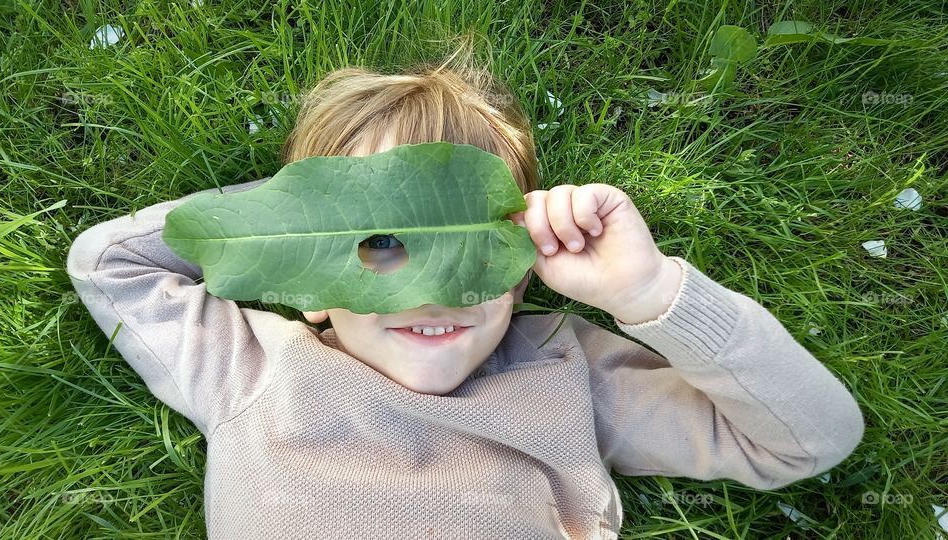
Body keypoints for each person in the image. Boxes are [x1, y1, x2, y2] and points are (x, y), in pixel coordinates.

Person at [65, 35, 865, 539]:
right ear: (309, 279)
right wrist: (299, 213)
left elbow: (807, 439)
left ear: (520, 275)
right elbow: (110, 263)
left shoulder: (560, 369)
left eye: (468, 249)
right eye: (380, 243)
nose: (430, 291)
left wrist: (650, 292)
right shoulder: (255, 366)